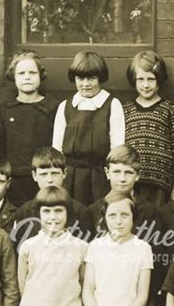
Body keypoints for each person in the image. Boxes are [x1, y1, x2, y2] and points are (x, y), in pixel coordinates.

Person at [76, 191, 165, 306]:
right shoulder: (95, 246)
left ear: (133, 218)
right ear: (104, 219)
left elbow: (142, 295)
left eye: (124, 215)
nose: (118, 221)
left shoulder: (142, 248)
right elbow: (88, 291)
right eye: (112, 215)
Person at [9, 186, 88, 306]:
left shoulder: (81, 247)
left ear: (68, 212)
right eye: (47, 211)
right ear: (38, 214)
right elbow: (23, 285)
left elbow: (83, 283)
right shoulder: (28, 246)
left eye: (58, 211)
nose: (53, 217)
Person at [51, 50, 126, 205]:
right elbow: (56, 151)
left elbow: (117, 150)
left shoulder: (112, 104)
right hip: (70, 180)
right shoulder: (65, 106)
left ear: (100, 77)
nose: (85, 84)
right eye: (80, 78)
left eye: (91, 78)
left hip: (100, 178)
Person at [123, 50, 174, 207]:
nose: (145, 85)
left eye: (151, 79)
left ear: (159, 80)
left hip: (160, 181)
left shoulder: (169, 109)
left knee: (155, 221)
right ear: (133, 80)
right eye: (140, 79)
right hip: (131, 180)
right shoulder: (125, 109)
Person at [0, 51, 56, 205]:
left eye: (32, 73)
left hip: (44, 177)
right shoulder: (6, 109)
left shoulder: (52, 107)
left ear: (40, 76)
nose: (27, 77)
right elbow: (1, 147)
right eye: (21, 73)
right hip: (15, 180)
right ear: (14, 77)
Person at [9, 147, 95, 246]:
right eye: (43, 174)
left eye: (54, 173)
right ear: (34, 175)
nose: (49, 180)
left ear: (64, 173)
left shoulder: (81, 212)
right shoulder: (23, 213)